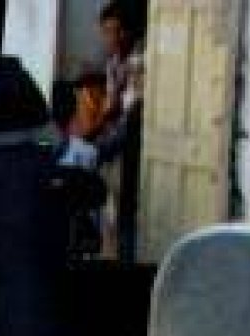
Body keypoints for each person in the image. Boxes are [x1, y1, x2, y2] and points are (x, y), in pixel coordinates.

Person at [96, 1, 145, 261]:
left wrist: (98, 146)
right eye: (105, 31)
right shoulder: (114, 61)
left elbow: (132, 111)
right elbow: (111, 106)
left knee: (128, 209)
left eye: (112, 31)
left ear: (127, 32)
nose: (108, 38)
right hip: (117, 138)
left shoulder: (140, 57)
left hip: (134, 141)